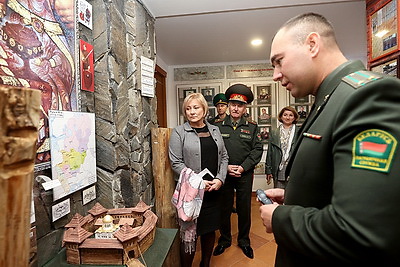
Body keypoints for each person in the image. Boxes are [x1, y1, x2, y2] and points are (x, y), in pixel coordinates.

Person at [259, 13, 400, 266]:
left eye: (279, 61)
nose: (275, 75)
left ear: (312, 44)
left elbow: (362, 231)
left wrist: (281, 218)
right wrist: (294, 195)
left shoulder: (367, 96)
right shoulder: (329, 98)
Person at [169, 93, 229, 267]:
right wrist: (198, 182)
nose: (192, 112)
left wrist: (220, 179)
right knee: (190, 233)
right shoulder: (179, 132)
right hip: (192, 192)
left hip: (213, 190)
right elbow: (176, 163)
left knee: (209, 230)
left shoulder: (215, 130)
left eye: (196, 107)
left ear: (204, 110)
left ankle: (205, 263)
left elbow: (224, 156)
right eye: (188, 109)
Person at [213, 84, 263, 259]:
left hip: (244, 174)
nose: (235, 108)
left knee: (244, 209)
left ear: (245, 107)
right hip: (223, 173)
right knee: (224, 208)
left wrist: (243, 167)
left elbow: (257, 150)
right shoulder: (217, 125)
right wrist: (225, 167)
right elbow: (213, 149)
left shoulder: (252, 126)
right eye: (233, 104)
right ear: (228, 105)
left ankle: (244, 241)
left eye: (239, 105)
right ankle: (224, 240)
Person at [265, 106, 299, 189]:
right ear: (281, 116)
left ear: (294, 118)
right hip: (279, 167)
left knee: (293, 195)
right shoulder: (274, 133)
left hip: (294, 168)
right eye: (285, 115)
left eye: (291, 115)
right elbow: (270, 152)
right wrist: (268, 170)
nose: (288, 117)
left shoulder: (299, 132)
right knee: (279, 195)